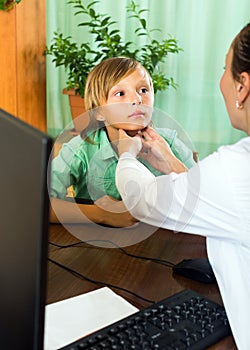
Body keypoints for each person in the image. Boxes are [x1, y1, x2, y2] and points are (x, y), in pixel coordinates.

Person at [116, 23, 250, 349]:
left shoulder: (235, 169)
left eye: (223, 69)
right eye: (121, 93)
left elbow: (144, 200)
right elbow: (208, 196)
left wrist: (127, 157)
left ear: (242, 86)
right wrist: (167, 162)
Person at [50, 57, 195, 227]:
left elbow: (205, 203)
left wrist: (171, 162)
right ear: (99, 112)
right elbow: (36, 203)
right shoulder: (81, 149)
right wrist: (102, 214)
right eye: (120, 94)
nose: (137, 99)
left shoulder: (169, 143)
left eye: (143, 90)